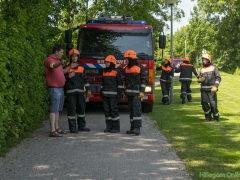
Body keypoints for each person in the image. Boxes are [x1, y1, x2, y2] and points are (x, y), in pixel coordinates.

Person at [44, 44, 78, 137]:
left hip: (60, 88)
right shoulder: (50, 60)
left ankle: (57, 128)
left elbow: (62, 72)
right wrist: (60, 63)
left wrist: (70, 66)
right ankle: (52, 130)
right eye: (61, 52)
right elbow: (53, 66)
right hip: (54, 88)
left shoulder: (58, 61)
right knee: (53, 109)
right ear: (56, 52)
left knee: (58, 109)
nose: (62, 54)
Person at [64, 48, 91, 133]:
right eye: (72, 56)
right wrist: (68, 76)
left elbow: (85, 80)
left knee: (81, 109)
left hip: (80, 92)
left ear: (78, 57)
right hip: (70, 92)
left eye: (76, 56)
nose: (74, 58)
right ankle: (72, 128)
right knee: (71, 110)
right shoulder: (66, 67)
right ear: (70, 57)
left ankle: (82, 126)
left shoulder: (81, 68)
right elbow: (61, 78)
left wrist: (88, 89)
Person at [124, 50, 147, 135]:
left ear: (131, 59)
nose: (125, 61)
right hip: (129, 93)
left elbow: (144, 80)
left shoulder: (140, 67)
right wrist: (125, 92)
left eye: (126, 59)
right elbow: (125, 82)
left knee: (136, 110)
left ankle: (137, 128)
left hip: (137, 94)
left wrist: (142, 91)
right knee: (131, 110)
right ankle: (132, 127)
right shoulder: (126, 68)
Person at [100, 55, 123, 133]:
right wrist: (101, 91)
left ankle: (116, 127)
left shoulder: (117, 72)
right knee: (107, 111)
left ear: (112, 63)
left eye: (107, 62)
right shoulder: (104, 71)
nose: (106, 64)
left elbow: (120, 83)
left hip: (113, 95)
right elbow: (102, 83)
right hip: (105, 94)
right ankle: (109, 127)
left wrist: (119, 93)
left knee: (113, 110)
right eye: (105, 62)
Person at [197, 53, 221, 122]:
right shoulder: (202, 69)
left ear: (208, 60)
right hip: (203, 89)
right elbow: (200, 77)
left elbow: (218, 78)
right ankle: (208, 116)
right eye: (203, 59)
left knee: (213, 104)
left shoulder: (214, 68)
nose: (203, 61)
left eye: (205, 59)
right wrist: (200, 79)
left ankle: (216, 117)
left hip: (212, 89)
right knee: (204, 102)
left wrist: (215, 86)